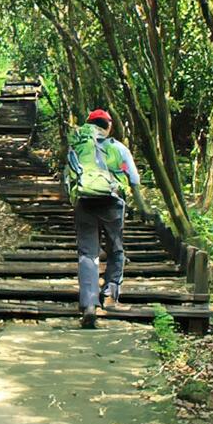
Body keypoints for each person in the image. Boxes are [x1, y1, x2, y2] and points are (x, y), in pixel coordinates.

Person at [67, 109, 144, 329]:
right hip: (112, 203)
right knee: (116, 248)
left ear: (89, 125)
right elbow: (134, 180)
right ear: (108, 126)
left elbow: (70, 174)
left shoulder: (79, 146)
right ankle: (109, 293)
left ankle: (89, 304)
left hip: (85, 202)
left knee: (87, 253)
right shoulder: (118, 148)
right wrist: (142, 208)